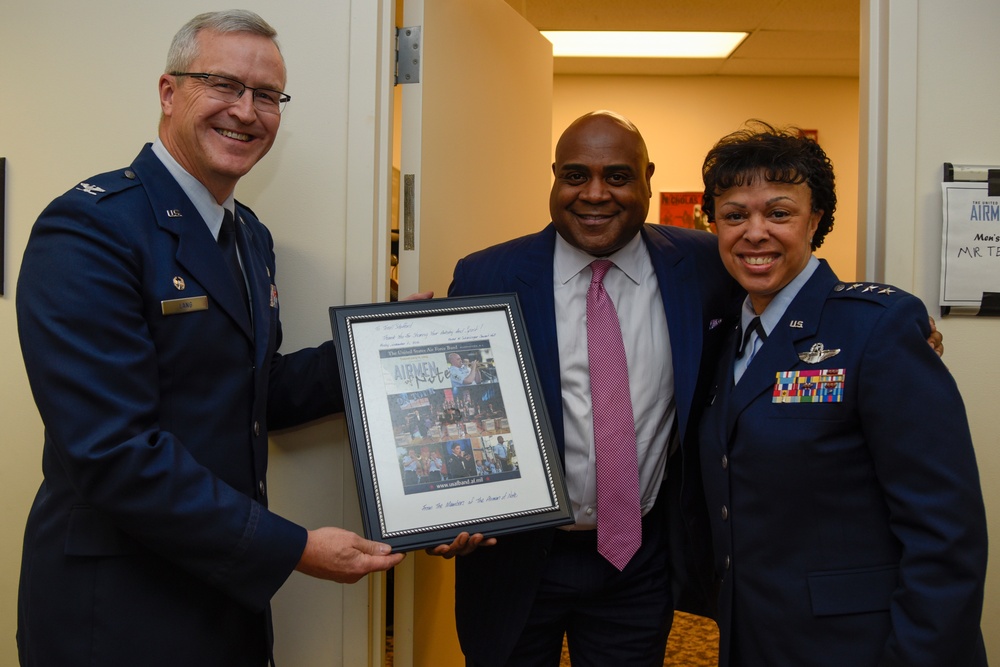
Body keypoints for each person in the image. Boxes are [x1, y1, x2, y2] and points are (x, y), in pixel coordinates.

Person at [14, 11, 410, 666]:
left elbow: (253, 395)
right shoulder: (89, 229)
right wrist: (295, 548)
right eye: (224, 85)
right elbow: (112, 450)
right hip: (119, 610)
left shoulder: (248, 236)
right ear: (169, 93)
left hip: (224, 602)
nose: (246, 111)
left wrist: (379, 347)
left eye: (267, 96)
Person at [436, 110, 743, 667]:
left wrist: (890, 323)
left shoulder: (703, 264)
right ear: (554, 177)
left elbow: (785, 291)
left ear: (648, 176)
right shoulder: (487, 275)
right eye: (575, 175)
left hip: (638, 561)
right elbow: (457, 411)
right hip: (516, 558)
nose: (595, 194)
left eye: (618, 176)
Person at [696, 121, 987, 666]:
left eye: (779, 213)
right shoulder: (721, 336)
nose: (754, 232)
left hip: (863, 645)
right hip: (754, 634)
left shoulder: (878, 328)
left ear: (816, 220)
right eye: (735, 215)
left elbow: (946, 533)